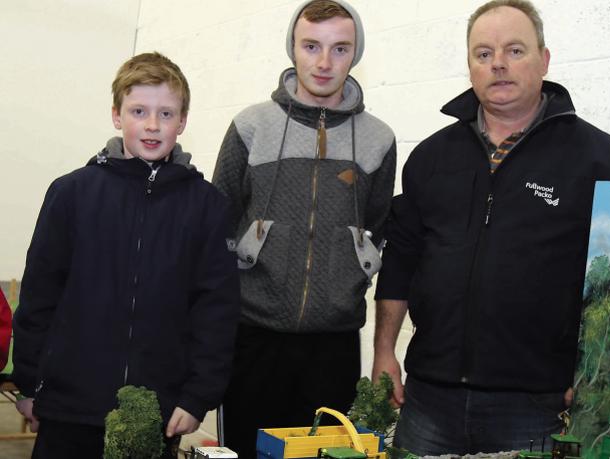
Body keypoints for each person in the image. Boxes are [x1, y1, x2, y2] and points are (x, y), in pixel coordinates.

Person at [372, 0, 610, 455]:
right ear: (470, 65)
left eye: (515, 50)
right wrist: (383, 353)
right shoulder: (431, 158)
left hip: (537, 404)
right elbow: (401, 260)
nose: (498, 64)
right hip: (429, 399)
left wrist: (601, 373)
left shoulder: (598, 159)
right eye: (483, 53)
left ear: (544, 60)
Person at [12, 52, 240, 458]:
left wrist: (197, 396)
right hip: (68, 406)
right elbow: (39, 298)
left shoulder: (208, 207)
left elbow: (216, 311)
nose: (153, 125)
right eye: (139, 111)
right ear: (117, 115)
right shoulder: (71, 194)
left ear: (183, 121)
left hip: (155, 412)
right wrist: (29, 385)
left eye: (166, 114)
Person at [211, 0, 396, 457]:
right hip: (253, 336)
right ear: (292, 47)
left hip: (333, 345)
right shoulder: (250, 126)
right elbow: (217, 226)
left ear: (356, 54)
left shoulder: (379, 140)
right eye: (311, 46)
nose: (324, 61)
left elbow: (374, 227)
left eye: (340, 48)